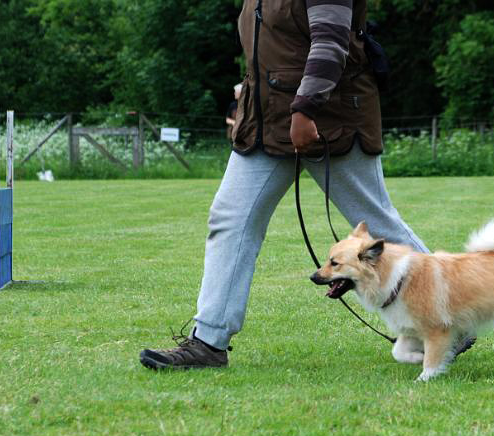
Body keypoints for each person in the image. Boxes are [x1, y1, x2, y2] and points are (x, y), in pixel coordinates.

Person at [139, 0, 473, 370]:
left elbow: (330, 42)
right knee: (230, 218)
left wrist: (305, 108)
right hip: (266, 123)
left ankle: (451, 317)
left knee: (376, 226)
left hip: (328, 119)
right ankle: (208, 342)